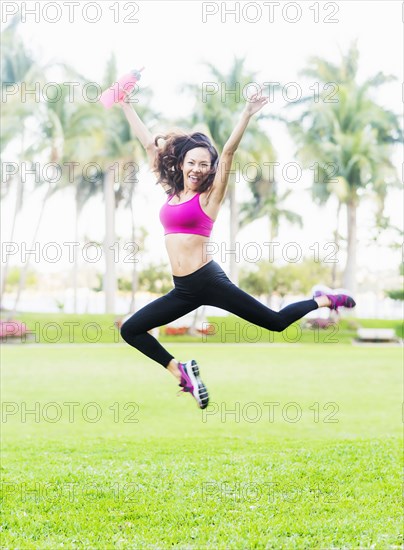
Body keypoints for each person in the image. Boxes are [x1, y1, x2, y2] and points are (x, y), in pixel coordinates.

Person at [118, 86, 356, 410]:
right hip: (183, 290)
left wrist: (246, 113)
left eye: (204, 164)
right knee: (132, 330)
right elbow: (149, 144)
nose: (197, 168)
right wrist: (125, 104)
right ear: (182, 164)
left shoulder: (209, 197)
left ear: (210, 168)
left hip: (209, 281)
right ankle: (182, 373)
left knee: (275, 322)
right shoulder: (171, 192)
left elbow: (228, 153)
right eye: (192, 162)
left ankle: (325, 298)